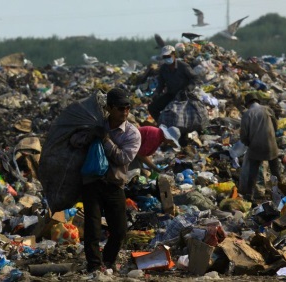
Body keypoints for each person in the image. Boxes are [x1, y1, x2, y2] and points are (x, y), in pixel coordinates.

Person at [79, 88, 141, 273]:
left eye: (127, 108)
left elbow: (123, 158)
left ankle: (108, 260)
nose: (125, 112)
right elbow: (76, 142)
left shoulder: (132, 133)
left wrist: (105, 139)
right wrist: (91, 136)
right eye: (120, 108)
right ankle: (94, 266)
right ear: (109, 108)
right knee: (93, 229)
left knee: (120, 230)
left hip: (115, 185)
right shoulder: (96, 125)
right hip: (92, 183)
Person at [239, 93, 282, 202]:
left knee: (253, 172)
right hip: (271, 145)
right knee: (275, 171)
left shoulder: (247, 114)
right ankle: (282, 191)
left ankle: (249, 194)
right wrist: (272, 136)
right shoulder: (267, 110)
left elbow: (243, 134)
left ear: (248, 103)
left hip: (256, 146)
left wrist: (248, 143)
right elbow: (275, 125)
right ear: (257, 101)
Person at [148, 45, 200, 122]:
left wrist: (188, 89)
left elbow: (195, 78)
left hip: (184, 95)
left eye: (168, 56)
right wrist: (156, 93)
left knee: (181, 115)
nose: (167, 58)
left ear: (174, 55)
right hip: (171, 95)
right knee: (152, 108)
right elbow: (161, 83)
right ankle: (162, 125)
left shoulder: (183, 66)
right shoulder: (163, 68)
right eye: (164, 57)